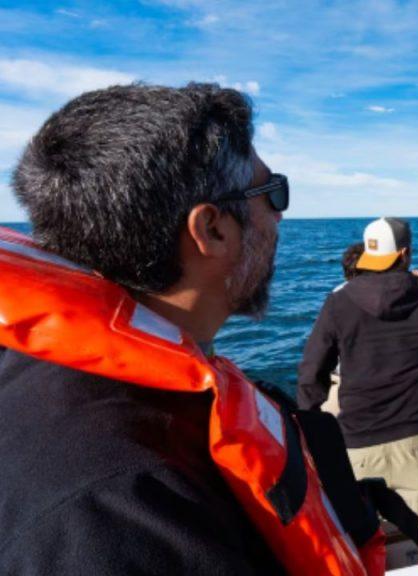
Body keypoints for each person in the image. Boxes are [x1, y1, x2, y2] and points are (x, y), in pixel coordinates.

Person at [0, 84, 375, 574]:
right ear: (211, 230)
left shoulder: (37, 378)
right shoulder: (122, 510)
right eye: (273, 191)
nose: (281, 213)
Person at [297, 216, 418, 562]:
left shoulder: (338, 302)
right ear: (405, 253)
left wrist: (311, 436)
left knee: (359, 534)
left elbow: (311, 374)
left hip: (355, 444)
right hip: (416, 439)